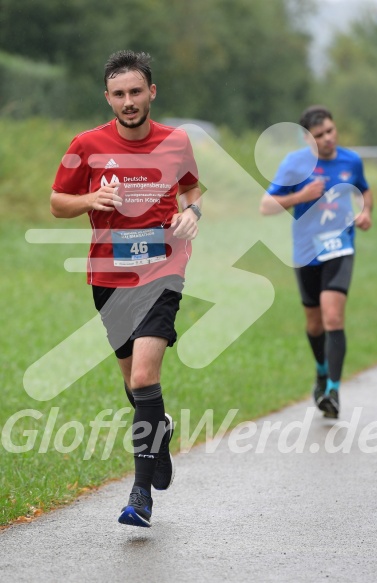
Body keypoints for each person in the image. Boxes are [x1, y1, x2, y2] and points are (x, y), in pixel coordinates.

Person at [50, 50, 202, 527]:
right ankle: (159, 428)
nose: (129, 101)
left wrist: (191, 212)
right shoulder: (87, 144)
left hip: (162, 271)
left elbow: (193, 189)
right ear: (108, 98)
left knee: (142, 377)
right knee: (133, 386)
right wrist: (90, 198)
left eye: (136, 91)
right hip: (108, 276)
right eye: (119, 94)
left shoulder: (176, 142)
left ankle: (140, 497)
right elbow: (57, 202)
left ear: (151, 92)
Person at [260, 105, 372, 419]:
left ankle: (334, 391)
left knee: (333, 316)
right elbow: (266, 205)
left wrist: (365, 212)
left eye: (331, 131)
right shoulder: (294, 165)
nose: (328, 139)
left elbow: (365, 189)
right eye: (320, 135)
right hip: (307, 251)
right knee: (314, 322)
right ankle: (322, 372)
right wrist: (301, 196)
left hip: (340, 246)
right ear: (308, 140)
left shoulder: (351, 160)